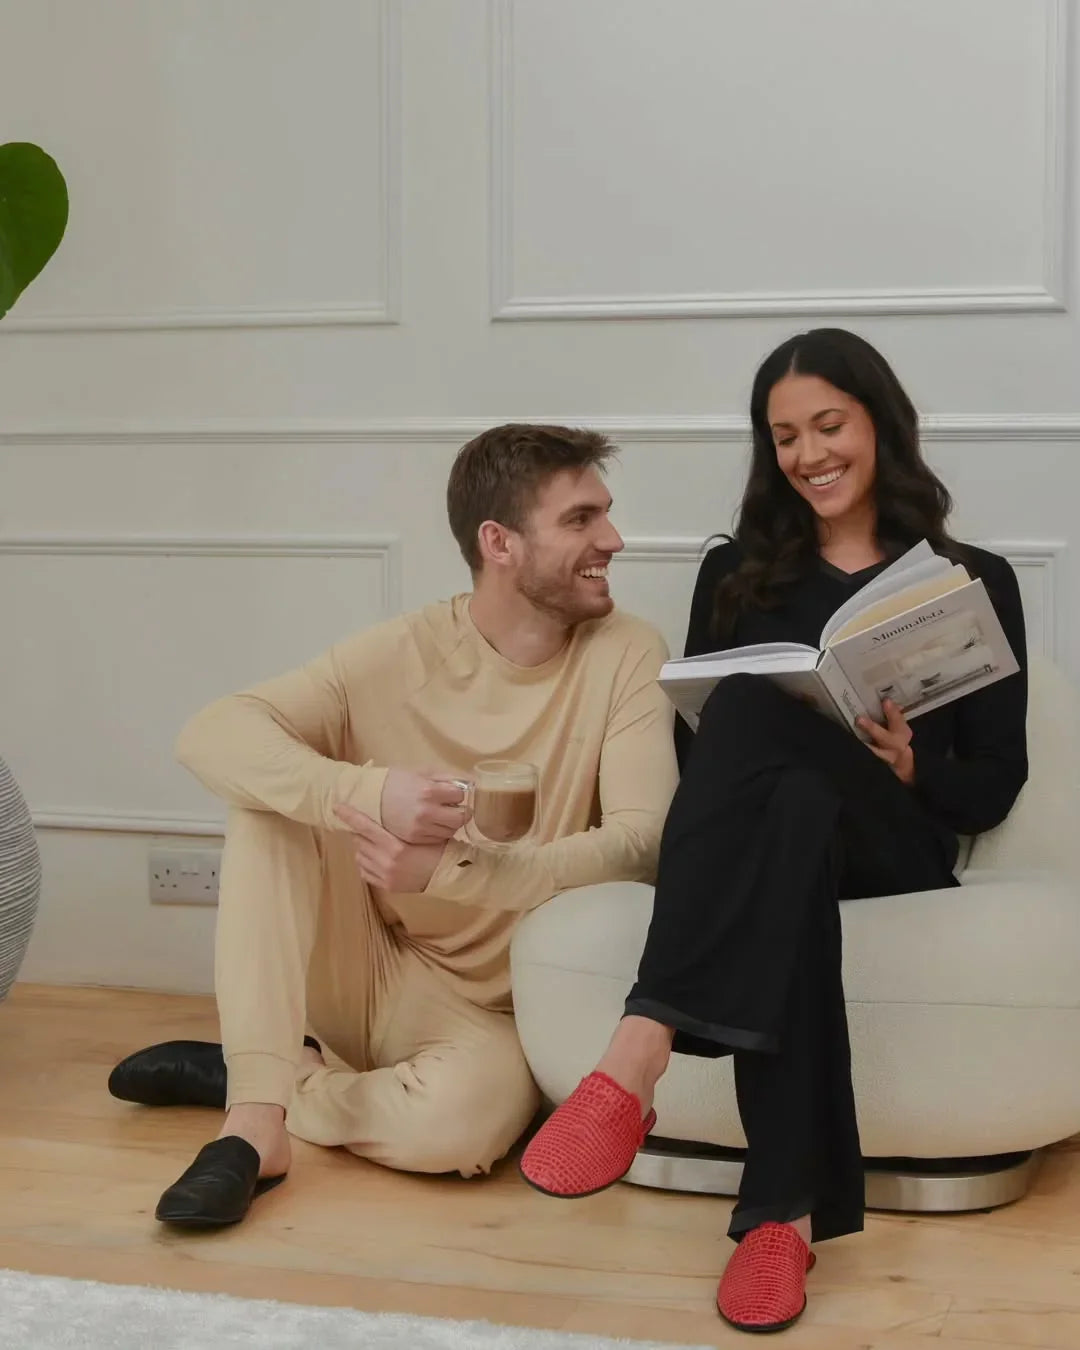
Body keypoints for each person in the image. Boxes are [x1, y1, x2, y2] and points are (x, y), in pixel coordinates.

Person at [519, 330, 1028, 1334]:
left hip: (897, 849)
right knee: (770, 763)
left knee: (766, 727)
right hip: (777, 847)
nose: (808, 452)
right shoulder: (738, 576)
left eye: (828, 424)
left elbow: (996, 785)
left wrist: (911, 763)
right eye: (784, 435)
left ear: (878, 422)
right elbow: (701, 750)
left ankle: (638, 1050)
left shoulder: (973, 577)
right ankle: (779, 1221)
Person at [108, 423, 679, 1229]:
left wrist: (454, 869)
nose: (612, 540)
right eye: (581, 519)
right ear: (500, 543)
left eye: (605, 515)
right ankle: (255, 1127)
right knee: (267, 797)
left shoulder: (626, 653)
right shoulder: (402, 650)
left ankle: (271, 1079)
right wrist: (372, 793)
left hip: (491, 1010)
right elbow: (212, 733)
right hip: (366, 958)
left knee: (462, 1133)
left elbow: (639, 842)